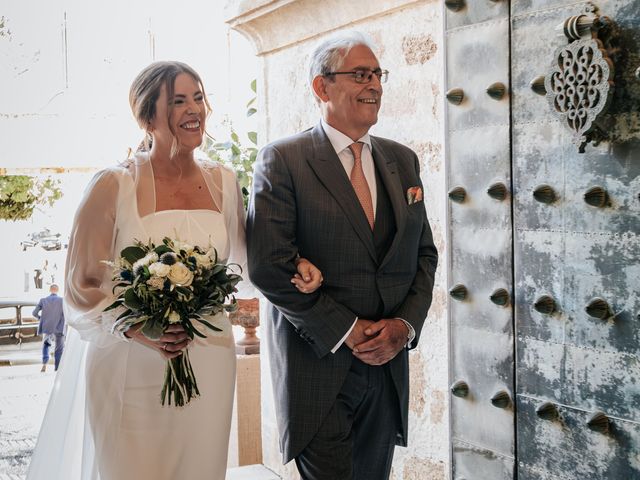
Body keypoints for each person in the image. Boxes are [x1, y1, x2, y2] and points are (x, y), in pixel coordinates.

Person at [27, 61, 322, 480]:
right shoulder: (113, 184)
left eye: (199, 98)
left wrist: (297, 265)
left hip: (207, 360)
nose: (194, 110)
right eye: (179, 100)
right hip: (129, 367)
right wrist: (138, 327)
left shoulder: (223, 180)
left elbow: (247, 259)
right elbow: (82, 283)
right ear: (147, 116)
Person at [247, 31, 438, 480]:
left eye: (377, 74)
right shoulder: (284, 160)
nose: (373, 84)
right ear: (322, 87)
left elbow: (424, 254)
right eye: (359, 74)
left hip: (388, 365)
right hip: (318, 368)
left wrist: (403, 326)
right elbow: (268, 266)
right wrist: (347, 330)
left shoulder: (402, 160)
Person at [32, 283, 65, 372]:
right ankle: (57, 368)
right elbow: (67, 314)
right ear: (57, 291)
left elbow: (34, 313)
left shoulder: (43, 300)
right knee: (59, 348)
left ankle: (44, 364)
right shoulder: (62, 300)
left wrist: (41, 318)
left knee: (46, 345)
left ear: (50, 290)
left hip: (47, 326)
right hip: (59, 327)